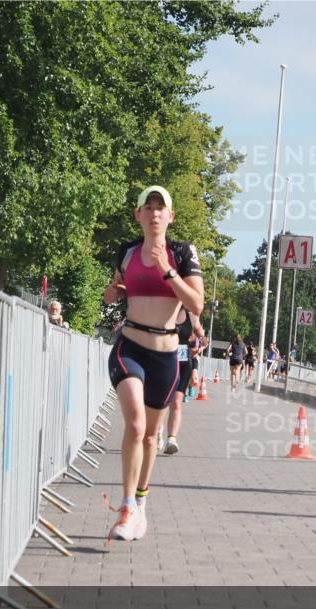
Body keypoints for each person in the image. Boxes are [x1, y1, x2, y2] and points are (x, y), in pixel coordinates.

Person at [103, 185, 204, 541]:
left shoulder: (182, 253)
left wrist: (166, 270)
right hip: (129, 346)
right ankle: (127, 504)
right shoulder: (127, 253)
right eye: (148, 207)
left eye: (161, 208)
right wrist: (112, 292)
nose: (155, 213)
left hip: (165, 353)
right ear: (139, 215)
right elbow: (113, 288)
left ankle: (141, 504)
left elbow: (196, 304)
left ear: (170, 216)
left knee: (149, 437)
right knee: (134, 424)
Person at [164, 308, 205, 455]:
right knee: (161, 401)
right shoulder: (162, 310)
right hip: (162, 361)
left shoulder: (191, 317)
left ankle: (171, 439)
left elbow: (201, 334)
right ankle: (156, 431)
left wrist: (201, 342)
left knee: (176, 401)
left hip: (183, 363)